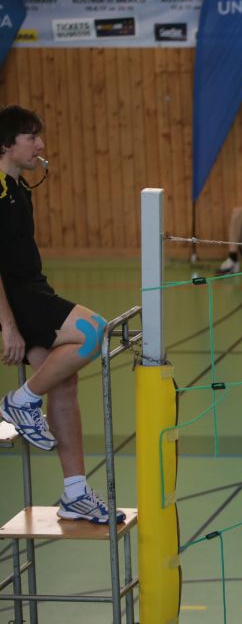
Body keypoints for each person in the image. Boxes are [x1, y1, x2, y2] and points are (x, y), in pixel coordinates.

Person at [0, 105, 124, 525]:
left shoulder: (19, 187)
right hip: (16, 297)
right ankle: (20, 402)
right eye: (31, 137)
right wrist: (8, 326)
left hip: (33, 289)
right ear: (7, 144)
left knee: (64, 382)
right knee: (93, 330)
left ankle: (75, 493)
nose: (40, 145)